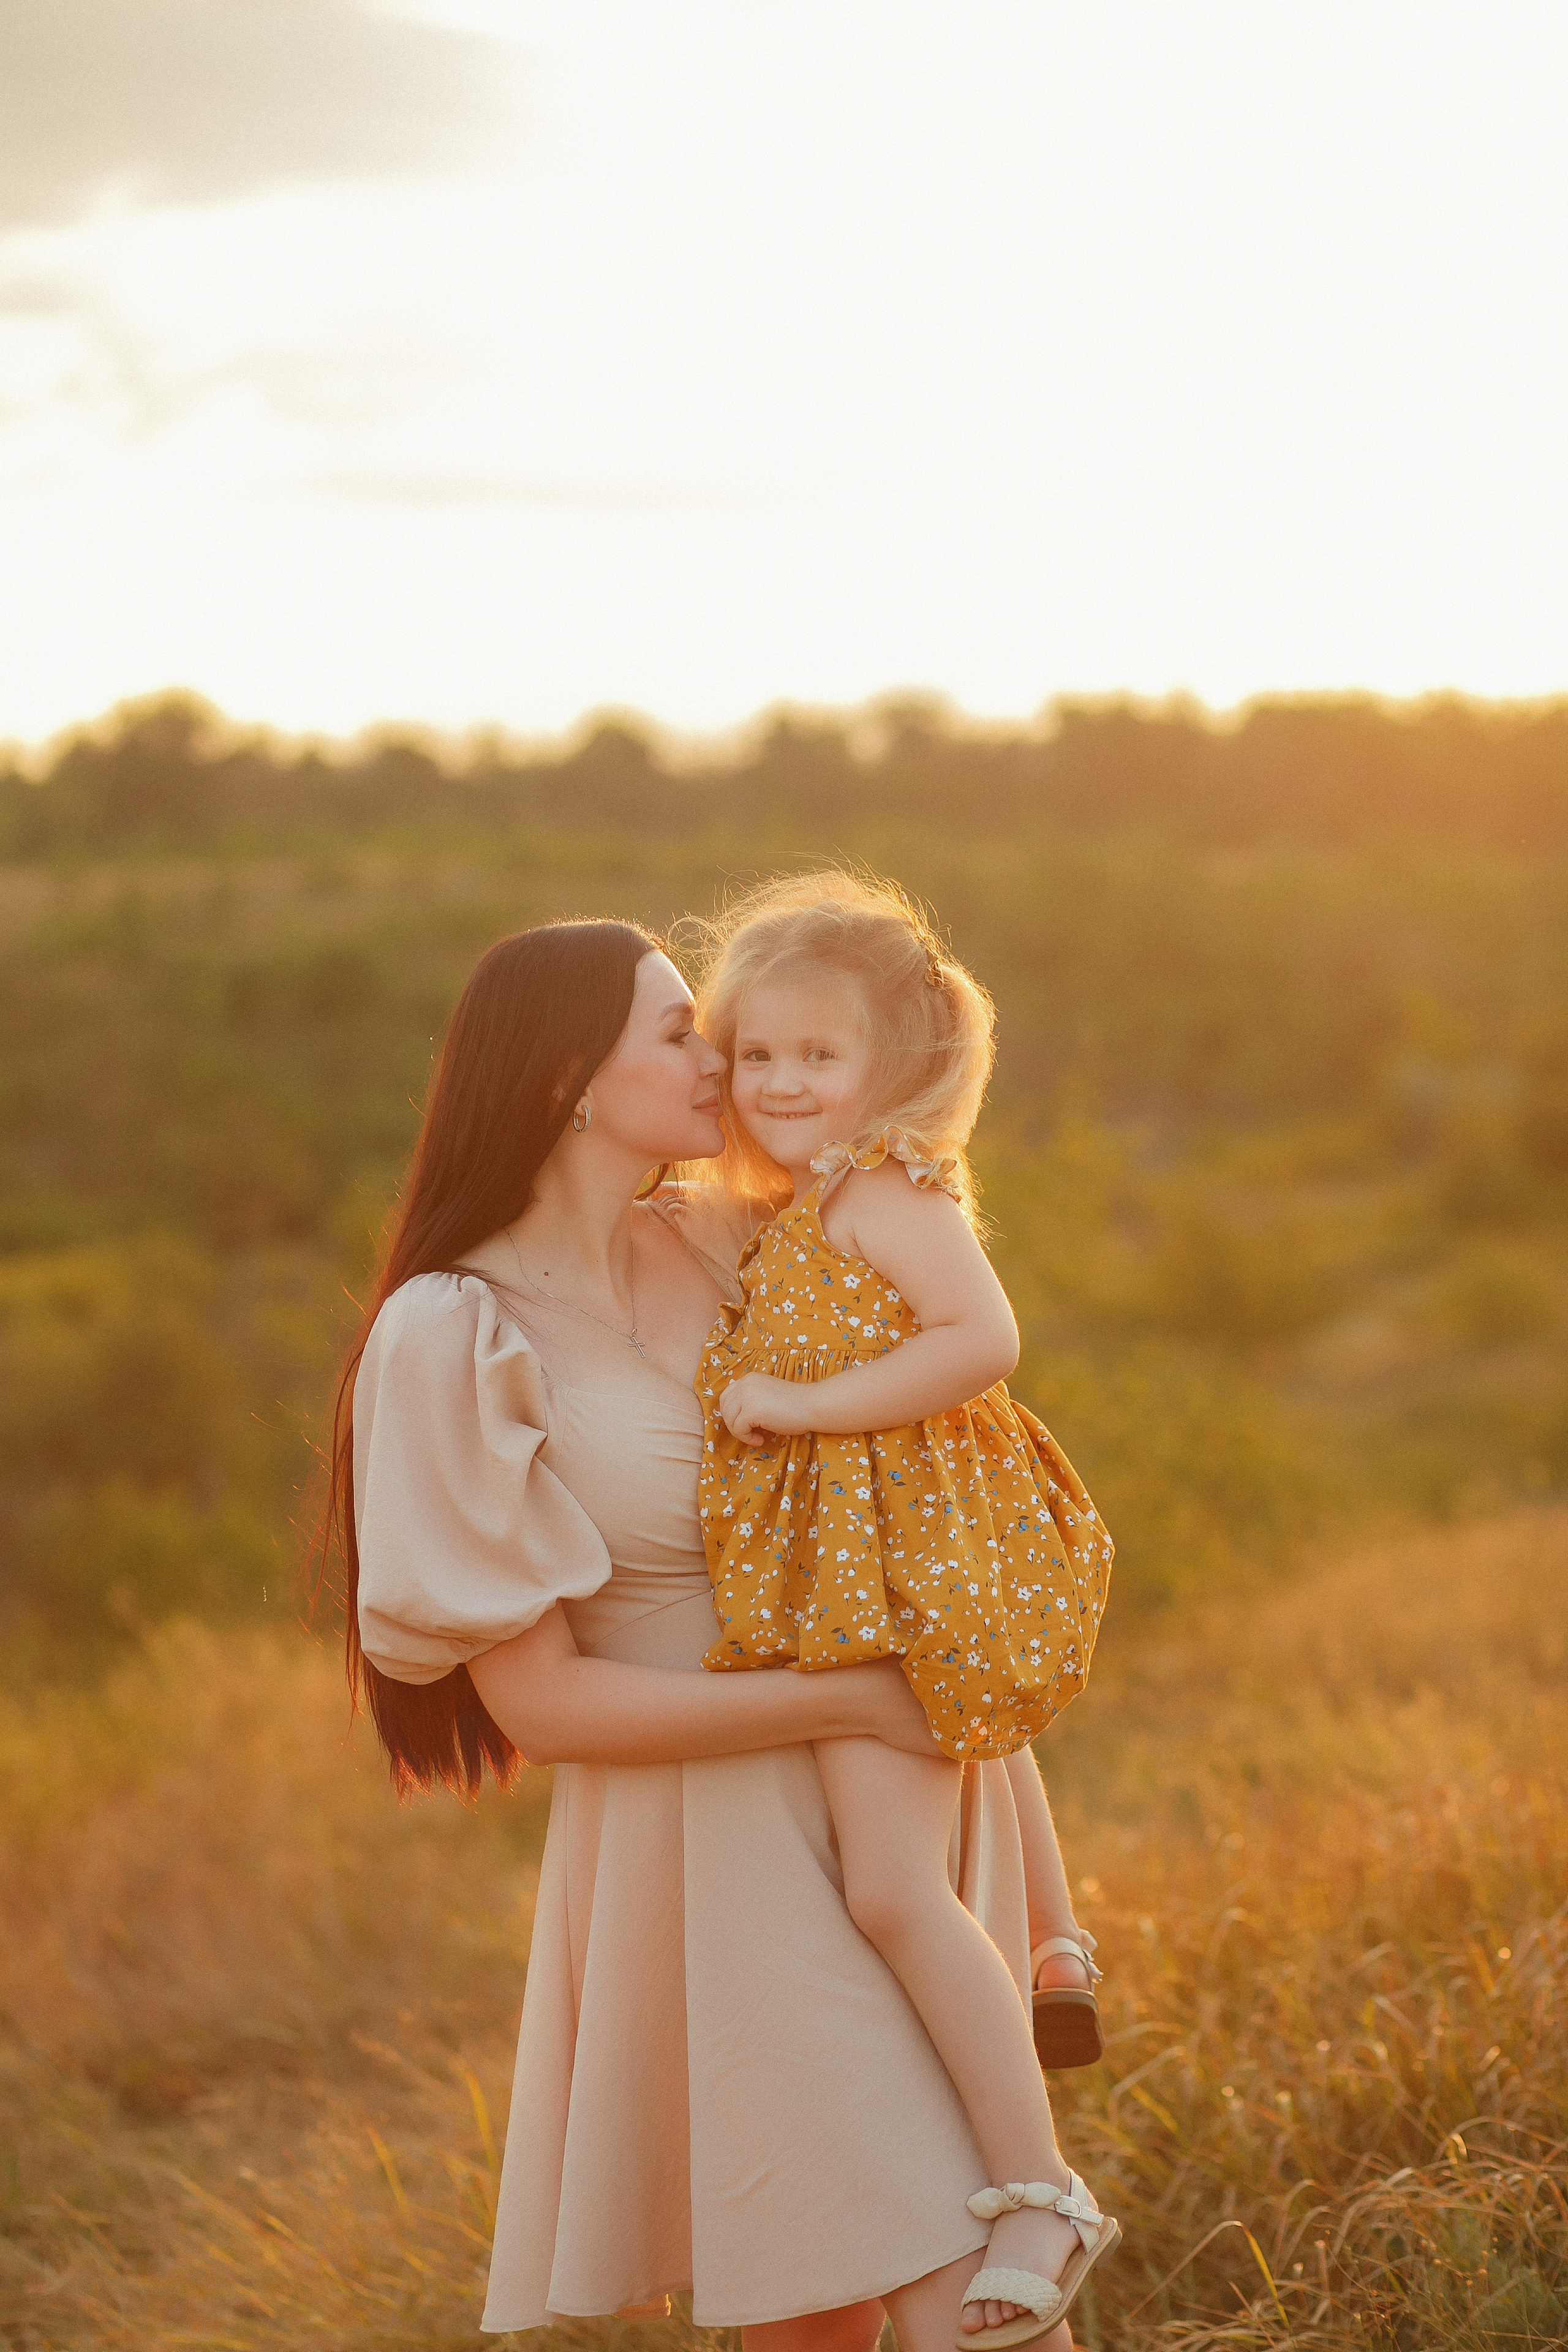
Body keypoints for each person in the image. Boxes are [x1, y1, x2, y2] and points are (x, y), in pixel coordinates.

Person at [326, 919, 1076, 2352]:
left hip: (885, 1804)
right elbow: (540, 1707)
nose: (716, 1054)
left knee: (955, 2294)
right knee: (830, 2308)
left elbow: (920, 1439)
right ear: (564, 1075)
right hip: (709, 1836)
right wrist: (845, 1702)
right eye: (676, 1029)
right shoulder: (453, 1329)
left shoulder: (734, 1236)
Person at [690, 872, 1118, 2347]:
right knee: (885, 1883)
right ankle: (1046, 1994)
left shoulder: (888, 1189)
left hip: (910, 1575)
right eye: (756, 1055)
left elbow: (980, 1338)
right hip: (861, 1581)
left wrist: (801, 1405)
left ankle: (1036, 2188)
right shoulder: (807, 1200)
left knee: (891, 1891)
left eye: (818, 1056)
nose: (781, 1082)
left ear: (888, 1068)